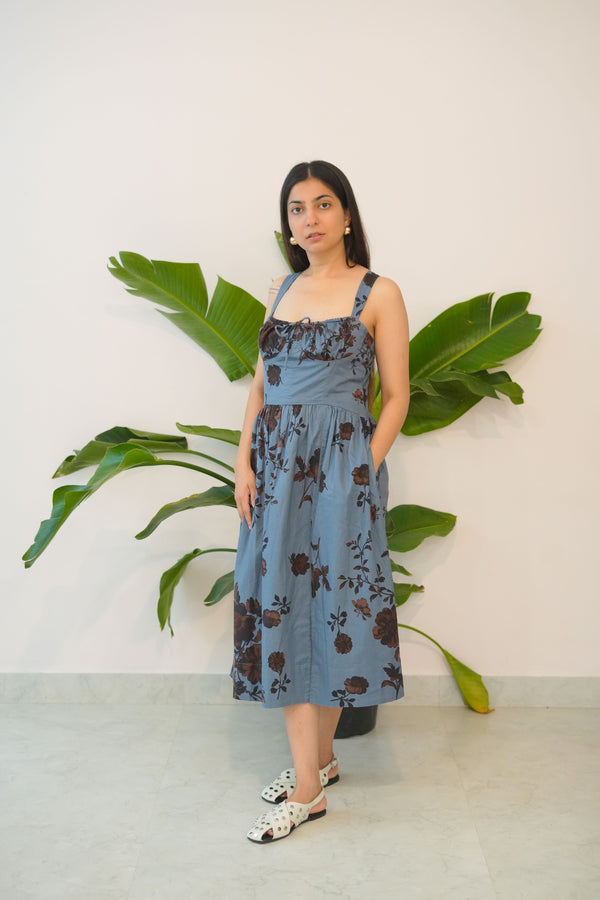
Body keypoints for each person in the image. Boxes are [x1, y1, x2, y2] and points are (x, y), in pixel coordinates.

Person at [232, 160, 410, 843]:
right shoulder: (281, 289)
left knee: (334, 611)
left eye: (322, 204)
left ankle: (307, 792)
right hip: (274, 475)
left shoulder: (379, 292)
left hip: (341, 472)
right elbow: (260, 388)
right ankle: (322, 764)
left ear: (346, 215)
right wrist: (243, 461)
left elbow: (395, 397)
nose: (308, 218)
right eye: (297, 208)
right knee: (281, 605)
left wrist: (362, 468)